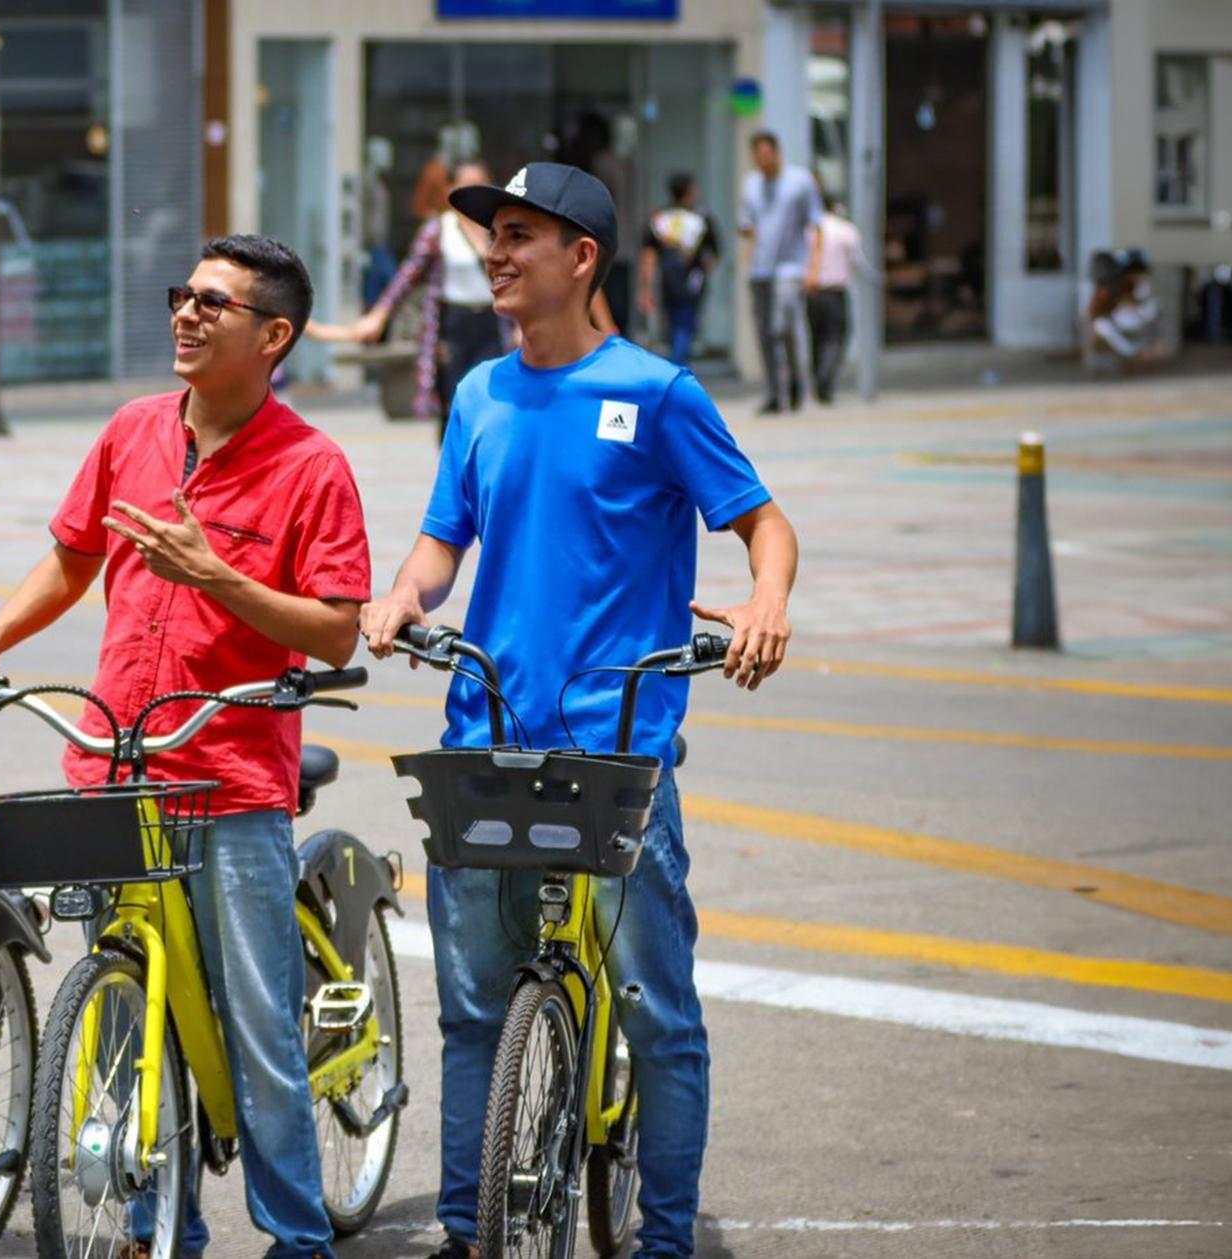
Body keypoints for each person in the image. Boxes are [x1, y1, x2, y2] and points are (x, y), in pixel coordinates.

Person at [359, 163, 800, 1259]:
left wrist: (767, 603)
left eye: (518, 235)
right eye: (489, 237)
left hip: (618, 751)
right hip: (486, 738)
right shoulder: (477, 394)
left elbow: (763, 523)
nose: (496, 254)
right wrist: (402, 591)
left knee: (656, 1012)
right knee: (471, 1010)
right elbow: (442, 537)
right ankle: (468, 1230)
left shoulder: (655, 393)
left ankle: (664, 1239)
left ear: (582, 257)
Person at [0, 234, 366, 1259]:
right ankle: (150, 1221)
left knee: (258, 1024)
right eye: (183, 295)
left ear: (274, 335)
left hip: (228, 781)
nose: (185, 313)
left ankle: (296, 1233)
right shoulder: (133, 430)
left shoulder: (314, 465)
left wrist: (218, 575)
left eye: (212, 303)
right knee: (125, 1006)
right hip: (111, 766)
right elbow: (71, 559)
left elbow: (338, 629)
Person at [307, 158, 513, 442]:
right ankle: (454, 473)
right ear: (452, 189)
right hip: (453, 325)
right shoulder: (440, 229)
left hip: (491, 324)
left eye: (480, 184)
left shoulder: (499, 229)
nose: (474, 192)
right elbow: (407, 276)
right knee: (455, 401)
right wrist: (379, 315)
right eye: (466, 185)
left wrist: (522, 324)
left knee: (494, 401)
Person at [739, 131, 824, 414]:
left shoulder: (800, 182)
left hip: (790, 268)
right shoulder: (751, 185)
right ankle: (775, 393)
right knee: (764, 333)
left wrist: (813, 267)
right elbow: (746, 223)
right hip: (760, 270)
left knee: (783, 327)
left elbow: (817, 225)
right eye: (757, 156)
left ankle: (797, 383)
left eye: (766, 154)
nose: (762, 161)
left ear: (777, 153)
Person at [637, 172, 721, 366]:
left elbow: (648, 256)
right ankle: (679, 368)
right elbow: (714, 254)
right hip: (692, 281)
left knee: (674, 327)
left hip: (666, 281)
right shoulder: (700, 218)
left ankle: (677, 365)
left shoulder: (659, 218)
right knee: (686, 327)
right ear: (689, 191)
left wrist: (645, 289)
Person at [805, 199, 866, 405]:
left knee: (816, 338)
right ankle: (825, 381)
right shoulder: (846, 230)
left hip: (813, 292)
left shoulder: (810, 231)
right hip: (835, 291)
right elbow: (857, 261)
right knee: (835, 338)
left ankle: (818, 381)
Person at [1087, 249, 1163, 370]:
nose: (1135, 275)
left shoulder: (1136, 286)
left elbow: (1142, 306)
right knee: (1102, 325)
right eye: (1132, 271)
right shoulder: (1107, 287)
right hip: (1111, 321)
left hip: (1130, 320)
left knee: (1150, 310)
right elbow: (1095, 312)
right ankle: (1132, 353)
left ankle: (1138, 352)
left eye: (1137, 272)